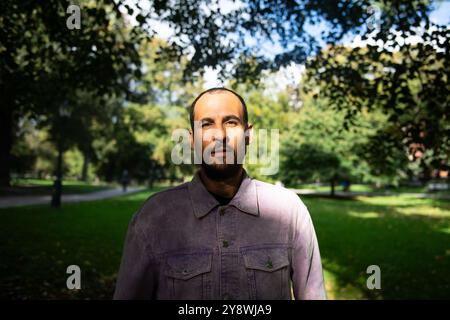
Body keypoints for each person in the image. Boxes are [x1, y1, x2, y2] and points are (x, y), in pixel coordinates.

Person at [114, 87, 326, 300]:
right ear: (192, 139)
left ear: (248, 135)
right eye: (206, 124)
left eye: (231, 122)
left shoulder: (289, 211)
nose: (220, 135)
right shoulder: (154, 217)